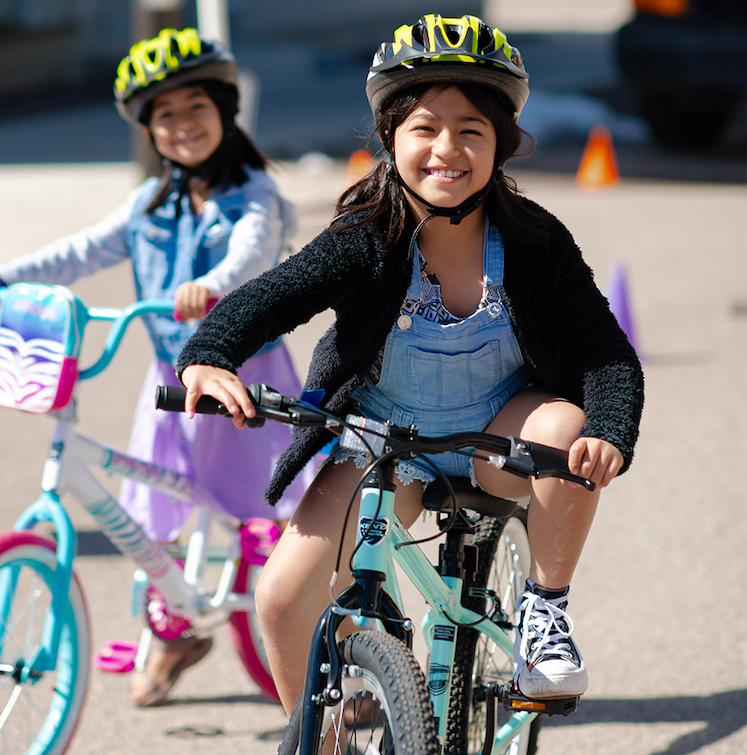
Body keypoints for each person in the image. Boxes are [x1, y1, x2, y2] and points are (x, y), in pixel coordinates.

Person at [176, 12, 644, 714]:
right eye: (424, 128)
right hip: (386, 443)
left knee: (564, 425)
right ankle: (324, 733)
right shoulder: (364, 237)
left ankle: (545, 614)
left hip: (497, 432)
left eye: (470, 131)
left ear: (501, 145)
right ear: (389, 137)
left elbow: (605, 351)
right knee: (278, 600)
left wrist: (608, 425)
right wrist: (209, 356)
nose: (445, 149)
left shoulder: (535, 242)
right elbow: (269, 298)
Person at [0, 27, 313, 707]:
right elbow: (82, 250)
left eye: (195, 109)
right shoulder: (148, 206)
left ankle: (308, 662)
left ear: (224, 111)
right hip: (171, 389)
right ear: (149, 130)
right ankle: (175, 625)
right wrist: (4, 275)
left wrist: (212, 286)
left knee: (267, 526)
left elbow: (251, 253)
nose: (181, 126)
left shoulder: (254, 196)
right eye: (164, 116)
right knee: (150, 519)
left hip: (244, 387)